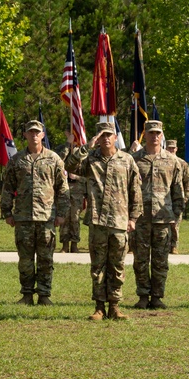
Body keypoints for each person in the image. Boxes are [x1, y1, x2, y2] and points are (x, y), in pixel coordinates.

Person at [65, 121, 142, 321]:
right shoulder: (90, 160)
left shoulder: (127, 160)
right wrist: (85, 147)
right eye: (101, 136)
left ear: (115, 137)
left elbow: (136, 191)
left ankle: (115, 306)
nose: (105, 139)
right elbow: (69, 165)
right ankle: (99, 307)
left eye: (109, 135)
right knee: (98, 265)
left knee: (117, 265)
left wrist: (133, 218)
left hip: (119, 221)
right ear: (97, 139)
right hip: (98, 221)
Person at [1, 120, 69, 306]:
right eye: (30, 132)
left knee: (46, 259)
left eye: (37, 132)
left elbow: (62, 189)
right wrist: (7, 212)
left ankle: (45, 295)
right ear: (25, 135)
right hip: (23, 217)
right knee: (25, 260)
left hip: (47, 217)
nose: (34, 135)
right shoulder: (17, 160)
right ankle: (27, 294)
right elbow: (8, 188)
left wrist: (62, 213)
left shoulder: (54, 159)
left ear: (43, 135)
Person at [130, 121, 185, 309]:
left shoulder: (172, 160)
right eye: (151, 133)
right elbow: (128, 189)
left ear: (162, 135)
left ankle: (157, 296)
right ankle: (143, 296)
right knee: (141, 260)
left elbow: (178, 192)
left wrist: (175, 217)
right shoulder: (134, 159)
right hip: (141, 219)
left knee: (161, 261)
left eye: (158, 133)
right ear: (145, 135)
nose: (154, 136)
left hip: (163, 219)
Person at [55, 141, 88, 253]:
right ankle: (64, 245)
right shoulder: (61, 149)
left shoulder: (83, 152)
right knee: (64, 216)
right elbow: (57, 161)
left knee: (75, 217)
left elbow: (88, 174)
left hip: (77, 190)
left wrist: (78, 177)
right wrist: (67, 145)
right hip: (64, 188)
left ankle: (74, 244)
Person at [165, 138, 189, 253]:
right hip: (164, 200)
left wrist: (184, 199)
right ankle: (165, 245)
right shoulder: (163, 161)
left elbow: (187, 184)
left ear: (176, 149)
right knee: (164, 225)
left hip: (177, 199)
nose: (171, 150)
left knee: (175, 225)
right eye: (169, 148)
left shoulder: (183, 164)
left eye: (173, 148)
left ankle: (174, 246)